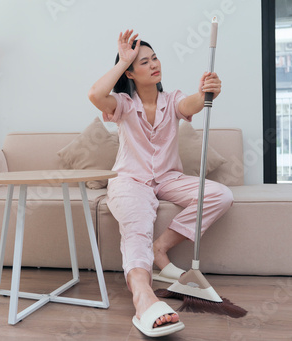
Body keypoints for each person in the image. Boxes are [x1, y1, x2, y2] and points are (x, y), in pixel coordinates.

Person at [87, 30, 234, 337]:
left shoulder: (173, 100)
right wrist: (122, 61)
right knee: (137, 221)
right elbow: (95, 95)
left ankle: (160, 248)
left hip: (168, 178)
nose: (154, 64)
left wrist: (208, 93)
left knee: (220, 195)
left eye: (155, 58)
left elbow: (193, 104)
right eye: (143, 61)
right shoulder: (124, 104)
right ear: (130, 72)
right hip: (131, 180)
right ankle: (143, 296)